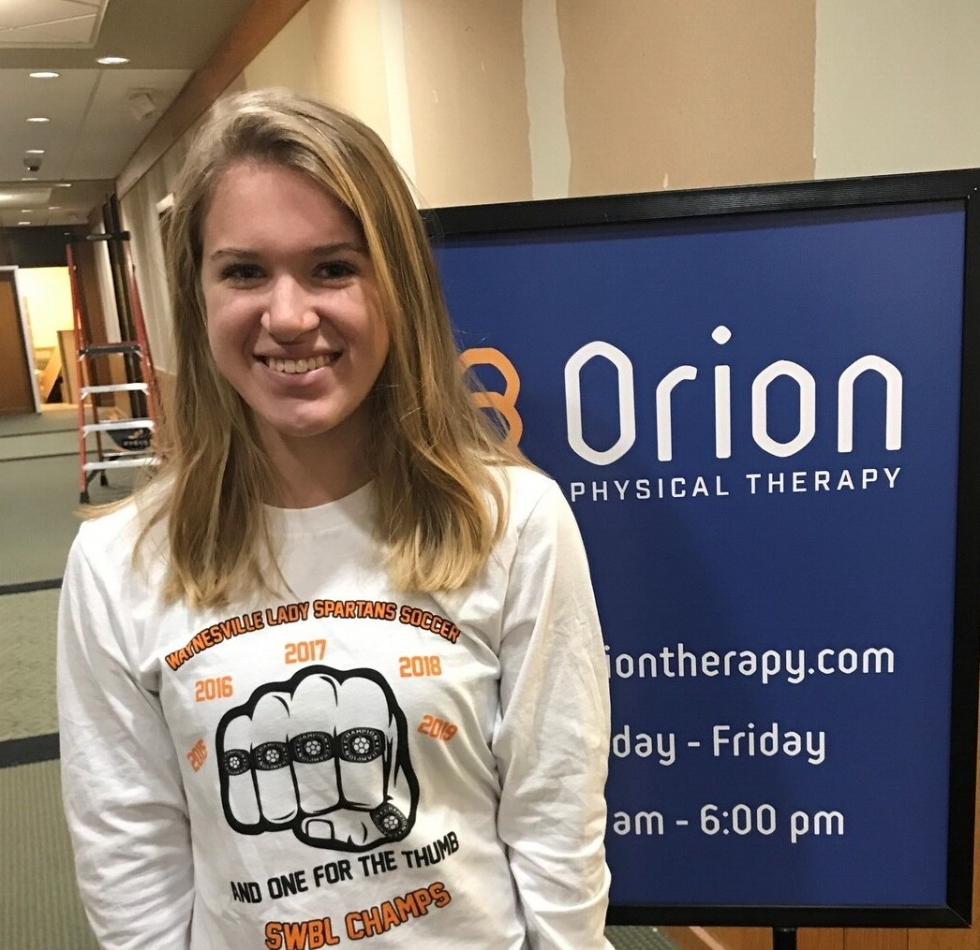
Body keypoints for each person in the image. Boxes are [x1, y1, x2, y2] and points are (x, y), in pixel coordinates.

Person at [57, 88, 612, 950]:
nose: (288, 316)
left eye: (333, 268)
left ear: (396, 288)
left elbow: (555, 823)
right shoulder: (116, 561)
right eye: (244, 271)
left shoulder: (515, 522)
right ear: (197, 294)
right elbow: (130, 861)